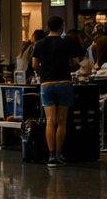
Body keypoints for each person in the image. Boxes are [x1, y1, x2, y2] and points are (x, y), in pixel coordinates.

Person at [31, 15, 82, 166]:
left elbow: (34, 64)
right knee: (61, 122)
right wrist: (68, 68)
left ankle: (51, 155)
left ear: (48, 27)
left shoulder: (40, 44)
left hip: (46, 83)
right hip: (64, 83)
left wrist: (41, 73)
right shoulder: (66, 42)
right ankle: (60, 153)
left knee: (50, 121)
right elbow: (75, 62)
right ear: (62, 27)